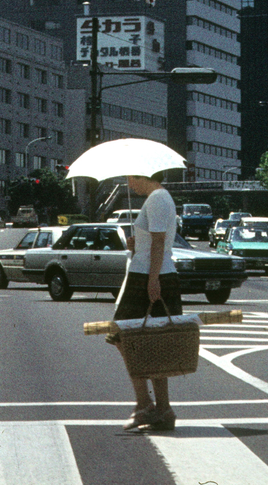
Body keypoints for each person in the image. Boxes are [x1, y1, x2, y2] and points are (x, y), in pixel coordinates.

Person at [113, 169, 182, 431]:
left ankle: (145, 404)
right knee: (153, 341)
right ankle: (162, 408)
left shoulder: (157, 198)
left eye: (131, 178)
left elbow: (159, 243)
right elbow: (153, 242)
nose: (129, 184)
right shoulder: (160, 198)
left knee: (122, 335)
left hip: (149, 275)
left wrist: (153, 279)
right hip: (151, 271)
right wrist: (136, 245)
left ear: (143, 176)